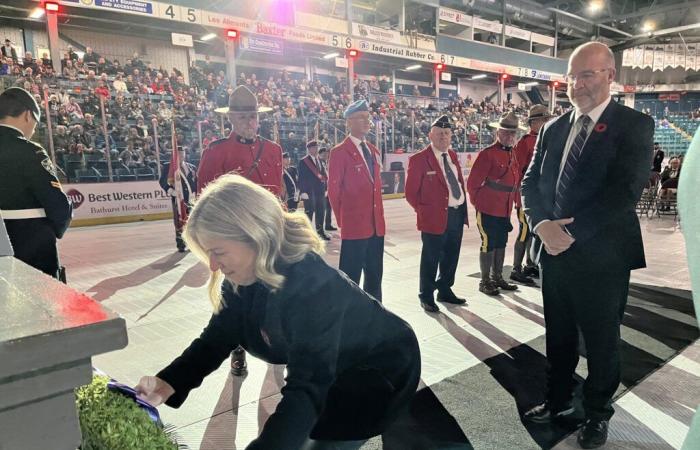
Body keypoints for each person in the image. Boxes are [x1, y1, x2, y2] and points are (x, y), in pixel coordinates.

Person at [134, 175, 421, 450]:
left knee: (326, 437)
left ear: (253, 235)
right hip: (331, 369)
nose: (212, 265)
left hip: (377, 371)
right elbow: (215, 339)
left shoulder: (312, 286)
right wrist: (166, 383)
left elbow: (306, 388)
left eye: (219, 251)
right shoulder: (242, 278)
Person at [521, 42, 654, 449]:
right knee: (558, 337)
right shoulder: (553, 127)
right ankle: (558, 399)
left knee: (601, 342)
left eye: (587, 74)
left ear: (610, 75)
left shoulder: (634, 125)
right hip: (554, 255)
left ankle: (597, 413)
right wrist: (542, 224)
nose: (576, 85)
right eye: (572, 76)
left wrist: (569, 234)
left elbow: (625, 193)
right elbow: (530, 184)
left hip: (603, 258)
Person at [196, 84, 284, 377]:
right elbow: (205, 200)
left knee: (276, 295)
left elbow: (279, 195)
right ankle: (236, 351)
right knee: (234, 299)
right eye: (243, 116)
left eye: (253, 116)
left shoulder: (273, 150)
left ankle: (280, 345)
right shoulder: (218, 151)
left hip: (269, 237)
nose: (250, 121)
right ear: (231, 119)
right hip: (236, 241)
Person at [0, 87, 72, 279]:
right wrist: (58, 228)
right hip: (30, 245)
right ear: (27, 115)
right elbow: (57, 204)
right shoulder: (31, 151)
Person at [405, 115, 469, 313]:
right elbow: (410, 193)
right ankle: (426, 295)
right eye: (439, 133)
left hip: (457, 214)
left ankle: (444, 289)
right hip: (433, 217)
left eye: (447, 133)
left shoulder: (452, 156)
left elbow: (457, 182)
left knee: (451, 255)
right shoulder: (419, 159)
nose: (444, 137)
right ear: (430, 135)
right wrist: (425, 211)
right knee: (431, 258)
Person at [328, 100, 386, 302]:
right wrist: (345, 221)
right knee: (350, 278)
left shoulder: (373, 150)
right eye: (361, 117)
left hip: (376, 226)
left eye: (368, 117)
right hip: (354, 226)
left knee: (375, 276)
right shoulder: (339, 152)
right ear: (349, 122)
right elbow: (334, 192)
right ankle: (349, 316)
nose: (366, 121)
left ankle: (376, 315)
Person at [466, 112, 521, 296]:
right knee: (488, 243)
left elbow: (515, 182)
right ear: (498, 132)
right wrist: (480, 204)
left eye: (513, 134)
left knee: (501, 242)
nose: (509, 136)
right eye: (505, 132)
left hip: (504, 209)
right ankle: (485, 281)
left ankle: (497, 277)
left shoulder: (513, 154)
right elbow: (472, 184)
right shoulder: (487, 154)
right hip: (488, 208)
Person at [510, 105, 553, 285]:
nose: (546, 123)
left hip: (540, 195)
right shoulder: (525, 142)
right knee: (524, 232)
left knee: (533, 232)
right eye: (543, 120)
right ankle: (515, 268)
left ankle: (530, 264)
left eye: (547, 120)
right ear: (533, 122)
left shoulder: (543, 140)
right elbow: (516, 171)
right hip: (526, 197)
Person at [159, 147, 197, 252]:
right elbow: (163, 182)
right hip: (178, 199)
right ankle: (181, 244)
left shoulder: (191, 167)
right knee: (180, 221)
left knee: (192, 221)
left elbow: (195, 181)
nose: (181, 156)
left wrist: (196, 192)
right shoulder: (169, 167)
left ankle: (193, 243)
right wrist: (171, 191)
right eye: (179, 154)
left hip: (191, 198)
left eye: (182, 154)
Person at [298, 140, 330, 240]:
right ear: (309, 149)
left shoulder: (321, 161)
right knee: (309, 212)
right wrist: (303, 191)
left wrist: (325, 189)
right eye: (314, 148)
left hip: (320, 191)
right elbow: (301, 177)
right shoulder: (303, 161)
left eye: (317, 147)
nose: (316, 149)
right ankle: (306, 234)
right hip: (309, 191)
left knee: (321, 211)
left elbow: (324, 175)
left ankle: (320, 232)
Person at [318, 148, 337, 232]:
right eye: (324, 154)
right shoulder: (318, 163)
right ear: (320, 154)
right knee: (322, 210)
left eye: (327, 154)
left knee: (329, 208)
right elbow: (319, 176)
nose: (326, 155)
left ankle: (328, 225)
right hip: (322, 189)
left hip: (328, 189)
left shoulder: (326, 163)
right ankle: (320, 228)